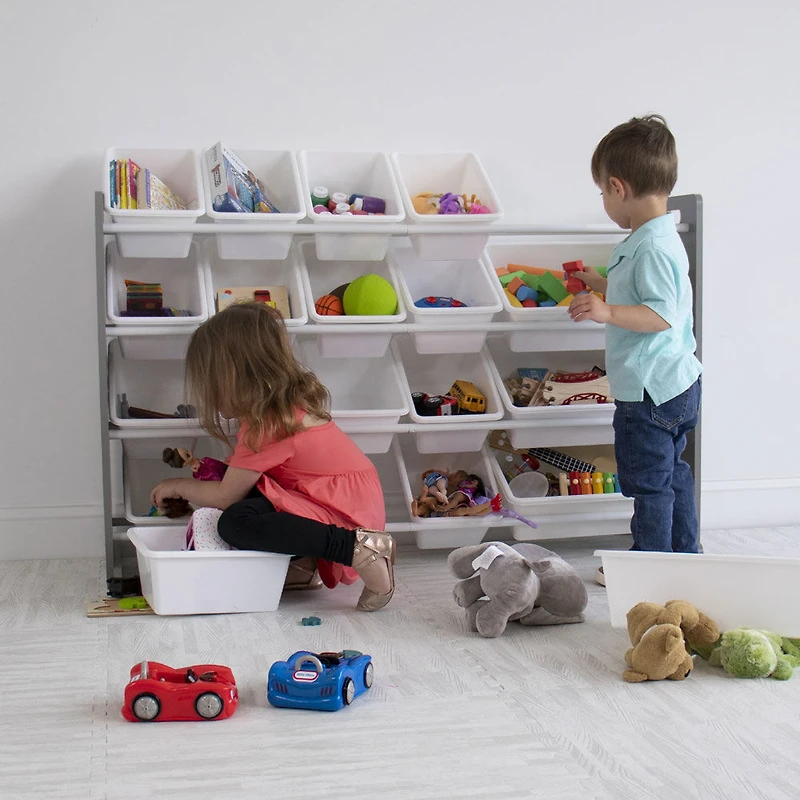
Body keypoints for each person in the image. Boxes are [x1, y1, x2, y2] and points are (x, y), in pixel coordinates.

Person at [149, 301, 395, 611]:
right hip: (333, 497)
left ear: (237, 375)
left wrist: (177, 485)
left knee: (236, 522)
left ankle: (359, 549)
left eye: (211, 382)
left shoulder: (268, 423)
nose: (208, 392)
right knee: (252, 500)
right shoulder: (278, 410)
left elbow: (226, 496)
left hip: (344, 508)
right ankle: (304, 567)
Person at [567, 115, 702, 586]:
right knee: (673, 475)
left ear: (618, 187)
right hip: (672, 384)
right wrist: (604, 284)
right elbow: (645, 292)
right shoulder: (653, 240)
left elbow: (660, 314)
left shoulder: (654, 249)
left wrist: (605, 312)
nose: (604, 201)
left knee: (648, 484)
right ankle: (685, 554)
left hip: (649, 393)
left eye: (602, 192)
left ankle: (648, 566)